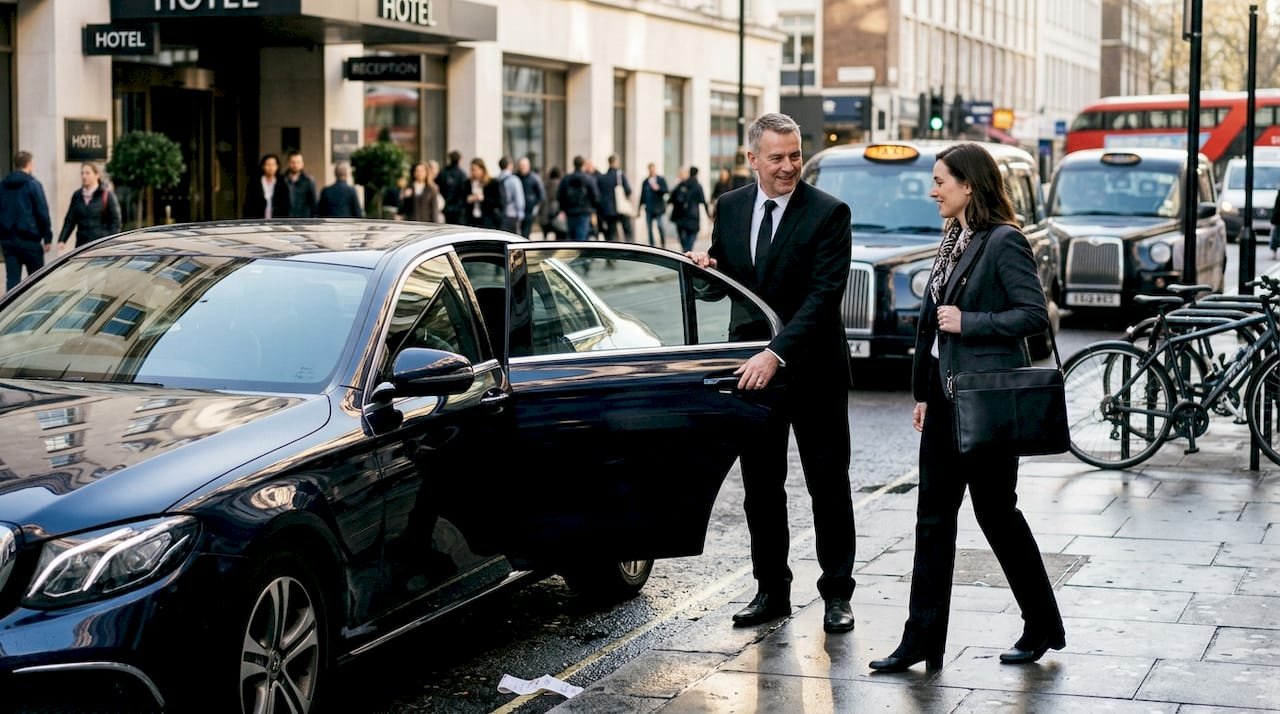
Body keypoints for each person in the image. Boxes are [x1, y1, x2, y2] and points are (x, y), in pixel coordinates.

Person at [869, 143, 1065, 673]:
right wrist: (924, 394)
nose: (933, 191)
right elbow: (933, 327)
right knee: (932, 520)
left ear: (969, 185)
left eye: (940, 181)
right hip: (945, 399)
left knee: (996, 515)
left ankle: (1043, 623)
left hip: (985, 405)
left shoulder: (1004, 241)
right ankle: (921, 640)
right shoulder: (955, 238)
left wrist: (971, 322)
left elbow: (1031, 315)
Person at [685, 113, 856, 634]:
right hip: (752, 375)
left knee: (828, 485)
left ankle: (836, 595)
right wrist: (704, 272)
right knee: (762, 486)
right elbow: (736, 284)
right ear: (752, 159)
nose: (788, 167)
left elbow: (824, 297)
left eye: (795, 155)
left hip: (814, 370)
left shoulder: (829, 213)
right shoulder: (731, 207)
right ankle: (771, 591)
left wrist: (776, 353)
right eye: (777, 157)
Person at [0, 150, 53, 291]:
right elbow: (42, 212)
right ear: (29, 164)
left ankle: (8, 311)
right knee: (37, 281)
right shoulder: (33, 184)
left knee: (12, 281)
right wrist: (47, 237)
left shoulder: (3, 185)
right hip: (30, 240)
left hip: (9, 240)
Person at [56, 162, 121, 251]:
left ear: (97, 175)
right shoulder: (77, 195)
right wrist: (62, 240)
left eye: (87, 173)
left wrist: (109, 242)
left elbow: (115, 222)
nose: (84, 176)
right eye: (82, 173)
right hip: (81, 246)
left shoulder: (106, 195)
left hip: (100, 246)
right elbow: (70, 220)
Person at [556, 156, 600, 242]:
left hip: (570, 212)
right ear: (583, 165)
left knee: (571, 238)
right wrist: (593, 209)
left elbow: (560, 196)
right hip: (584, 213)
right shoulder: (589, 179)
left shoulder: (566, 179)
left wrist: (563, 209)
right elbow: (596, 196)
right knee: (581, 239)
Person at [669, 166, 709, 253]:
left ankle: (686, 251)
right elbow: (703, 200)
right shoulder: (697, 185)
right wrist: (708, 214)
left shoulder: (681, 185)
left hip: (682, 215)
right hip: (693, 214)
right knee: (692, 234)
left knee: (684, 235)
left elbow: (671, 199)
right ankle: (687, 250)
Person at [597, 154, 633, 243]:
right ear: (616, 162)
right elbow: (628, 190)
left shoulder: (602, 177)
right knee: (627, 232)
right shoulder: (619, 175)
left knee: (611, 233)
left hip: (608, 210)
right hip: (621, 208)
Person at [244, 153, 290, 219]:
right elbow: (248, 204)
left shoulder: (282, 183)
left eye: (273, 165)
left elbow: (285, 205)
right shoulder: (255, 183)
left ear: (277, 166)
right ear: (263, 166)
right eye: (268, 164)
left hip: (277, 220)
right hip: (258, 219)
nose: (271, 167)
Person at [466, 158, 503, 229]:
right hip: (472, 220)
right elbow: (462, 199)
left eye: (475, 169)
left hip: (487, 220)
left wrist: (483, 198)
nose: (473, 172)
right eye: (472, 170)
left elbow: (498, 202)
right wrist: (469, 199)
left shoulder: (492, 183)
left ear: (482, 169)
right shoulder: (468, 183)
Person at [638, 163, 669, 248]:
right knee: (649, 229)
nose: (652, 171)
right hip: (649, 209)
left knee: (661, 227)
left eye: (653, 169)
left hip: (659, 209)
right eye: (650, 169)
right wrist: (639, 209)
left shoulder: (660, 179)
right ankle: (652, 246)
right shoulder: (645, 181)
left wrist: (658, 188)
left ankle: (663, 244)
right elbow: (642, 196)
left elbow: (666, 190)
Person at [437, 150, 470, 225]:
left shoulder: (443, 172)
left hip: (445, 206)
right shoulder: (462, 174)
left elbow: (438, 187)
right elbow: (464, 191)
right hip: (458, 208)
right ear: (460, 160)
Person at [283, 151, 318, 217]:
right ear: (288, 163)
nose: (295, 165)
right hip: (285, 220)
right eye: (293, 162)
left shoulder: (309, 181)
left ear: (302, 164)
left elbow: (314, 203)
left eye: (298, 162)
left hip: (303, 220)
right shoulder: (282, 180)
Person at [517, 157, 545, 238]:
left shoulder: (534, 178)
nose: (522, 168)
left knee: (525, 233)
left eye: (524, 166)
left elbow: (541, 195)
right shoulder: (516, 177)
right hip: (518, 210)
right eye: (521, 166)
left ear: (528, 166)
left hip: (529, 210)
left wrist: (536, 208)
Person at [496, 157, 525, 234]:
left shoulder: (496, 179)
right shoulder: (514, 180)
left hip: (499, 215)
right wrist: (520, 215)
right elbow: (519, 199)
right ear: (510, 165)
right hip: (512, 215)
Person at [541, 167, 563, 240]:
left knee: (546, 233)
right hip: (556, 210)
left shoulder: (545, 184)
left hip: (546, 210)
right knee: (558, 232)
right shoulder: (560, 184)